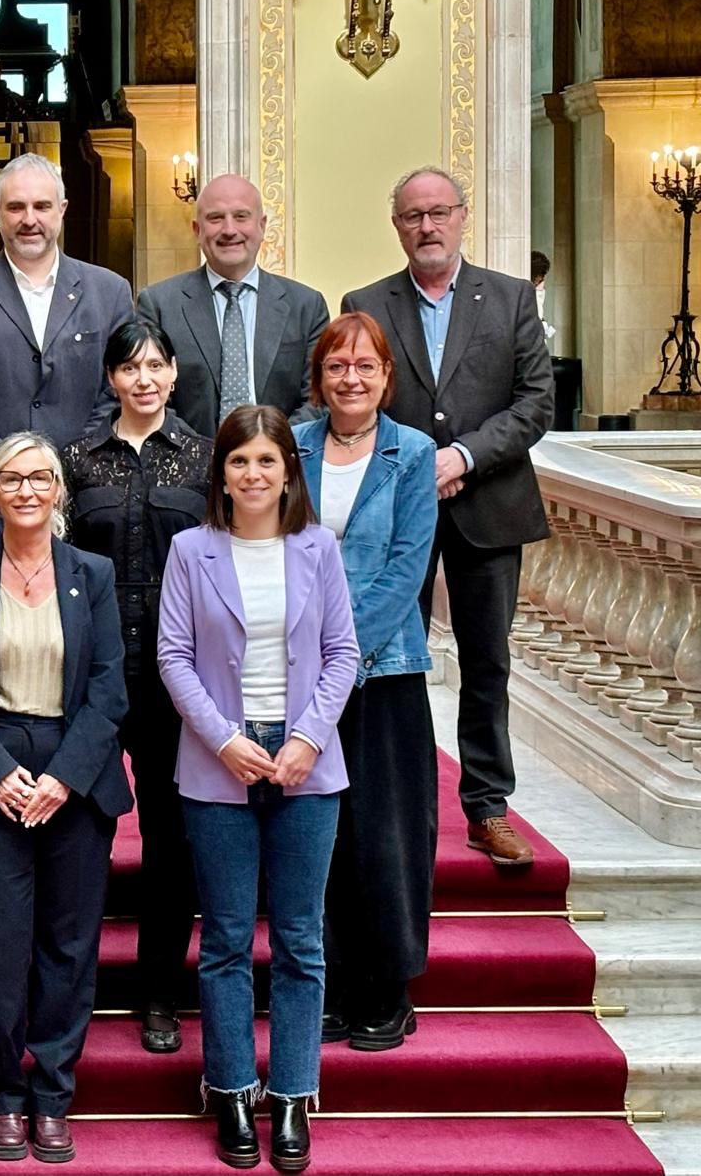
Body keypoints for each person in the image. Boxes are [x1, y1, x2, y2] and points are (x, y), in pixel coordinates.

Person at [0, 432, 133, 1164]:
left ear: (59, 490)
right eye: (12, 478)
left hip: (74, 773)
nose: (28, 490)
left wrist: (66, 777)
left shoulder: (93, 573)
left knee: (69, 944)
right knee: (2, 943)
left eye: (41, 477)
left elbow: (110, 685)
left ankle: (53, 1095)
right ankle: (7, 1093)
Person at [157, 406, 358, 1174]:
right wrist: (227, 740)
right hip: (220, 761)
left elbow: (342, 651)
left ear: (288, 472)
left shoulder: (318, 547)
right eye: (239, 461)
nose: (253, 474)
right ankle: (235, 1087)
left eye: (267, 461)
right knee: (228, 937)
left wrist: (306, 737)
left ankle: (294, 1093)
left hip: (308, 758)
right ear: (221, 473)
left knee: (302, 939)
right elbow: (174, 656)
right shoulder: (191, 550)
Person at [342, 167, 553, 867]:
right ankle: (389, 799)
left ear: (462, 216)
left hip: (489, 507)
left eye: (439, 213)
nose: (427, 227)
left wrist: (461, 456)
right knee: (383, 656)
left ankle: (488, 806)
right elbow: (357, 396)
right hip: (396, 513)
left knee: (486, 660)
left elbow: (534, 405)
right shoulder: (366, 302)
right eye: (412, 216)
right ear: (395, 224)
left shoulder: (513, 298)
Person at [62, 317, 210, 1054]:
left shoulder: (204, 460)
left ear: (174, 373)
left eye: (156, 365)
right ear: (112, 378)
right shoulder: (78, 460)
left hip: (173, 678)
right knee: (75, 837)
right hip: (89, 675)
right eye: (130, 367)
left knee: (168, 840)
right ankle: (67, 992)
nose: (144, 378)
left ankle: (159, 992)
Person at [293, 313, 438, 1052]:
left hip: (383, 674)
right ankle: (326, 982)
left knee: (385, 836)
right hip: (297, 675)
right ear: (318, 376)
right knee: (316, 837)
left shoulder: (412, 454)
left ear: (387, 376)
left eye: (366, 366)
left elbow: (408, 567)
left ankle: (387, 987)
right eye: (337, 365)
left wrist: (341, 657)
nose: (351, 378)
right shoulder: (290, 446)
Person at [0, 153, 134, 448]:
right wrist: (5, 457)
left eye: (41, 206)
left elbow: (118, 386)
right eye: (16, 207)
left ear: (61, 210)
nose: (29, 219)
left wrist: (75, 457)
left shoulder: (110, 291)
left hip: (87, 475)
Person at [137, 174, 330, 436]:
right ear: (197, 230)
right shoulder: (159, 305)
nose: (229, 230)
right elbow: (151, 398)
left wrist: (267, 448)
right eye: (216, 218)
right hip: (188, 465)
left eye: (241, 216)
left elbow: (318, 398)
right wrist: (202, 455)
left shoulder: (306, 306)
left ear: (262, 226)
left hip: (281, 462)